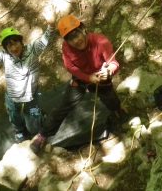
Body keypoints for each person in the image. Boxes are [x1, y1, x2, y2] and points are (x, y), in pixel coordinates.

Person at [30, 15, 127, 154]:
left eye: (77, 35)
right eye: (70, 38)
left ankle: (118, 111)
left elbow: (113, 62)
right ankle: (43, 135)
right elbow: (71, 68)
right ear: (66, 41)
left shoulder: (101, 41)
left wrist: (109, 71)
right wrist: (88, 77)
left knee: (110, 98)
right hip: (81, 79)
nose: (76, 41)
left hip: (101, 76)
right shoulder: (67, 48)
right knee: (63, 107)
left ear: (84, 29)